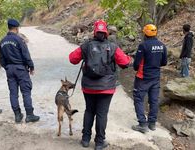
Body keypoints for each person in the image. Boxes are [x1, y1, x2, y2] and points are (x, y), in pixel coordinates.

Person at [69, 20, 132, 150]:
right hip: (106, 88)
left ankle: (85, 139)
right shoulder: (113, 47)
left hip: (89, 87)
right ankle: (99, 142)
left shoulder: (86, 46)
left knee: (89, 111)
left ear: (94, 31)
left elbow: (72, 59)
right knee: (102, 114)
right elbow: (125, 63)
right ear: (106, 33)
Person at [0, 19, 39, 123]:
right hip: (20, 69)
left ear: (8, 27)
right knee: (26, 92)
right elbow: (26, 54)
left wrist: (7, 67)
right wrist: (31, 67)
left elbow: (2, 59)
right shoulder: (19, 40)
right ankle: (29, 115)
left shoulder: (2, 41)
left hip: (9, 69)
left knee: (13, 93)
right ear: (16, 28)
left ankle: (17, 115)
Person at [132, 24, 167, 133]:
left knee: (138, 99)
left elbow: (136, 64)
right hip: (155, 77)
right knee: (154, 100)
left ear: (145, 33)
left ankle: (142, 124)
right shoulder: (162, 46)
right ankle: (152, 123)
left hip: (143, 78)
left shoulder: (143, 46)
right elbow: (164, 62)